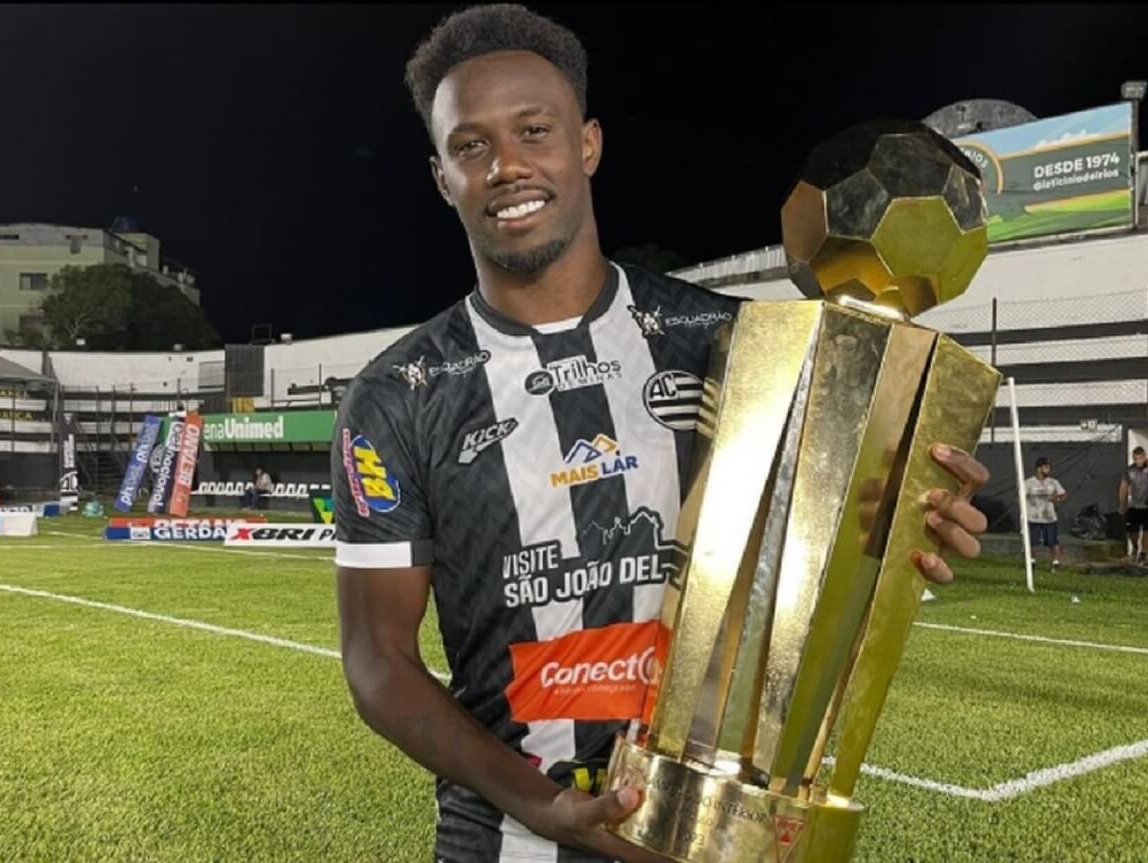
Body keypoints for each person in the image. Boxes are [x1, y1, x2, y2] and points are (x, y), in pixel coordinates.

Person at [330, 7, 992, 862]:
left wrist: (911, 516)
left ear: (589, 144)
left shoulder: (735, 345)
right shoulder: (396, 397)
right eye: (471, 146)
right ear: (441, 175)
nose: (507, 166)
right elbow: (377, 661)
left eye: (535, 130)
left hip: (717, 840)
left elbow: (822, 527)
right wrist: (547, 804)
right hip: (507, 841)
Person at [1025, 456, 1067, 571]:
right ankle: (1032, 562)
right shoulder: (1029, 483)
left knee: (1053, 541)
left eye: (1049, 467)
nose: (1048, 469)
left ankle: (1056, 563)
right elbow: (1020, 497)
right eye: (1046, 467)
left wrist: (1057, 498)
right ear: (1039, 469)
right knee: (1033, 541)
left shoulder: (1053, 482)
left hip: (1049, 517)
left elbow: (1063, 495)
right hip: (1034, 517)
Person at [1118, 446, 1148, 563]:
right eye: (1136, 458)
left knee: (1146, 530)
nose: (1138, 461)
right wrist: (1122, 504)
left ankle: (1144, 553)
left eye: (1140, 458)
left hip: (1147, 505)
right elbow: (1123, 488)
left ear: (1145, 456)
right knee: (1132, 531)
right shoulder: (1129, 470)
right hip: (1134, 505)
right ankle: (1135, 548)